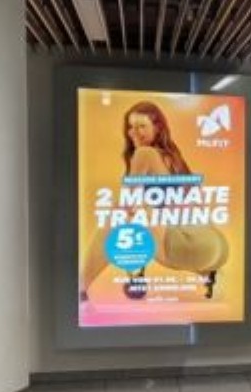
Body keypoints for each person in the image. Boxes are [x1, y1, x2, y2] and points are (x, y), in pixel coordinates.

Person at [79, 101, 228, 303]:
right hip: (215, 245)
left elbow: (128, 203)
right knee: (141, 213)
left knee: (115, 218)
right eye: (131, 126)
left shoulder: (145, 153)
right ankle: (209, 275)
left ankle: (81, 286)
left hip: (186, 244)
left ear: (157, 128)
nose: (134, 132)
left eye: (141, 126)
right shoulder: (173, 157)